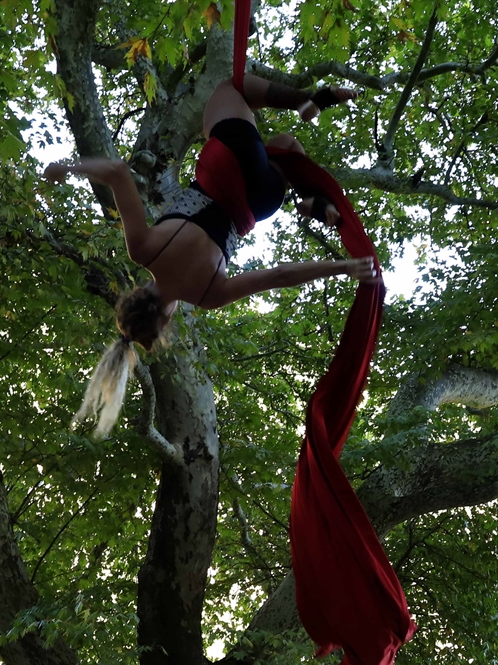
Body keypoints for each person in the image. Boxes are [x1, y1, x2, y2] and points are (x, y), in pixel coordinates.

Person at [46, 70, 373, 439]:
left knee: (286, 144)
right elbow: (119, 172)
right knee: (229, 86)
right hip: (226, 164)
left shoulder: (208, 295)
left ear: (165, 323)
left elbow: (277, 275)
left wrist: (344, 267)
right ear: (136, 292)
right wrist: (68, 167)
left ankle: (309, 201)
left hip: (258, 203)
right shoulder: (144, 250)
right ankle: (302, 100)